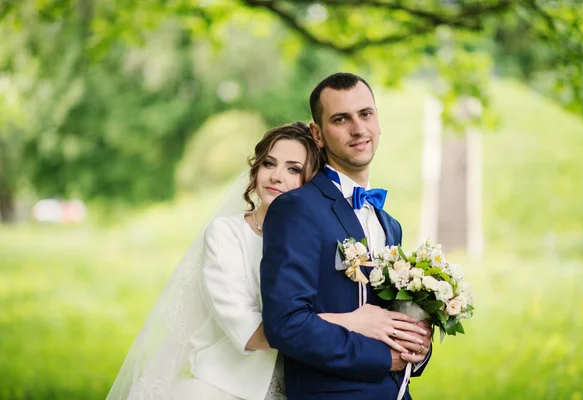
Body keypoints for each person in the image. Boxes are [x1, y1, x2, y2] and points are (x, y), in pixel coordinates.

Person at [107, 121, 426, 400]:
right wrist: (352, 321)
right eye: (269, 163)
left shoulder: (322, 239)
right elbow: (250, 332)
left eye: (293, 169)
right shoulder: (226, 235)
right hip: (225, 388)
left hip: (300, 387)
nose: (276, 176)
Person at [260, 73, 433, 400]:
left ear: (378, 120)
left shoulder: (388, 223)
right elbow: (287, 325)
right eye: (341, 119)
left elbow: (389, 314)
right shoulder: (296, 209)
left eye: (365, 114)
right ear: (318, 134)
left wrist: (418, 345)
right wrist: (384, 358)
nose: (358, 129)